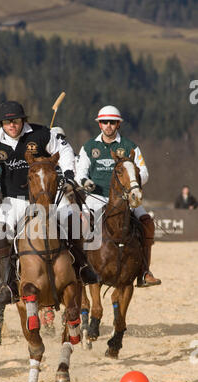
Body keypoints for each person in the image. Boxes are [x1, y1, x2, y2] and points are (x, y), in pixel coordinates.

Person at [0, 100, 99, 304]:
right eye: (7, 123)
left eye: (15, 121)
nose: (11, 126)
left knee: (73, 223)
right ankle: (8, 284)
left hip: (49, 197)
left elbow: (65, 150)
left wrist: (69, 175)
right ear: (2, 125)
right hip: (14, 199)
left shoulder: (42, 134)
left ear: (23, 120)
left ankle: (82, 268)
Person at [75, 104, 161, 287]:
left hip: (126, 198)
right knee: (80, 222)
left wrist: (133, 185)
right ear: (100, 124)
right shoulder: (90, 146)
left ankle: (145, 270)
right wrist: (84, 182)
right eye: (104, 122)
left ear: (118, 125)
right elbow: (80, 171)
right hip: (96, 197)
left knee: (146, 222)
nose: (108, 125)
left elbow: (143, 171)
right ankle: (81, 267)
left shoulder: (129, 146)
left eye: (112, 122)